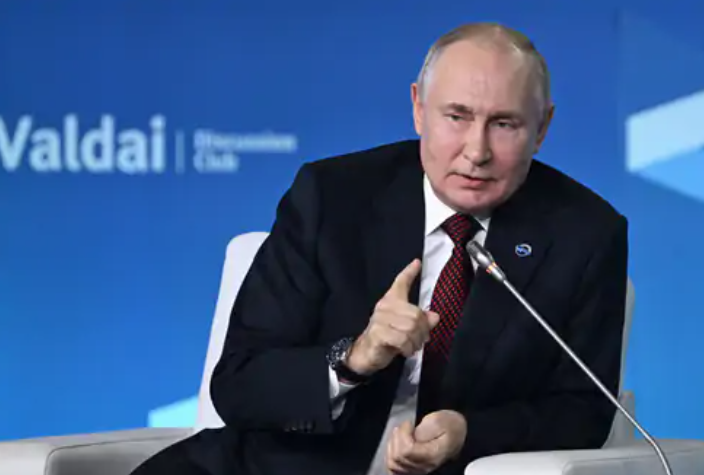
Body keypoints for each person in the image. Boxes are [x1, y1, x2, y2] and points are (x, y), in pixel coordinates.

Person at [132, 21, 628, 475]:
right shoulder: (332, 197)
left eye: (504, 124)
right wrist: (354, 359)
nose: (476, 152)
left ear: (542, 128)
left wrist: (467, 432)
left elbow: (583, 410)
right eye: (457, 116)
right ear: (418, 108)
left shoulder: (584, 234)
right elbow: (240, 383)